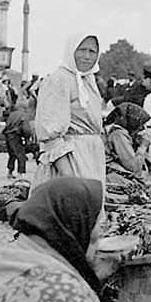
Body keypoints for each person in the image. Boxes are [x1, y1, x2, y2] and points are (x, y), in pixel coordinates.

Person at [0, 177, 127, 302]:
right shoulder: (62, 296)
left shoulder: (14, 259)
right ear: (73, 227)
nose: (99, 233)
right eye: (94, 226)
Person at [31, 33, 106, 195]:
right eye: (82, 50)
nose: (87, 56)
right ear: (71, 50)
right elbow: (50, 132)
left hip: (91, 156)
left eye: (92, 52)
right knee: (72, 203)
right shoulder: (59, 79)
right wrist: (68, 175)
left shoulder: (89, 81)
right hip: (71, 158)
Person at [104, 102, 151, 183]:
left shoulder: (120, 133)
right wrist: (143, 147)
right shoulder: (119, 135)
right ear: (133, 122)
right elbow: (133, 167)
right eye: (140, 124)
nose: (142, 128)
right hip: (113, 175)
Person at [4, 100, 33, 179]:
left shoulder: (12, 114)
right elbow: (26, 129)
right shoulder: (23, 116)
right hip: (16, 136)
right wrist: (27, 137)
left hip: (7, 135)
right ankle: (21, 173)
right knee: (21, 154)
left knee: (12, 155)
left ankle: (10, 171)